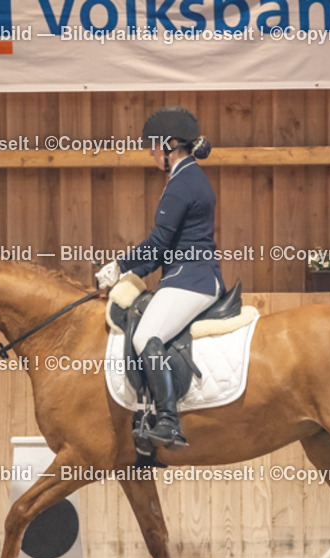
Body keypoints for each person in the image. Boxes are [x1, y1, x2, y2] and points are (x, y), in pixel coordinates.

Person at [95, 105, 225, 451]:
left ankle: (167, 419)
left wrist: (120, 266)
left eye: (153, 146)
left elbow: (157, 244)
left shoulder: (183, 182)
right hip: (187, 274)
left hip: (191, 279)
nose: (150, 153)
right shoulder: (186, 178)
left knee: (146, 336)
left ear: (170, 145)